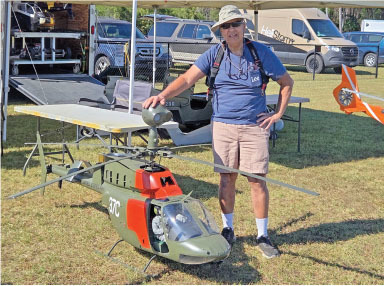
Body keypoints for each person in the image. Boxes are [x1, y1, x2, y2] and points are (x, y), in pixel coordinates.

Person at [143, 5, 293, 259]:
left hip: (254, 127)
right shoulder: (214, 55)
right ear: (220, 31)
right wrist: (162, 95)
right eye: (226, 26)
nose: (231, 29)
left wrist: (277, 114)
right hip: (223, 126)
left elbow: (286, 82)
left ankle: (262, 236)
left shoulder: (260, 53)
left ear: (244, 27)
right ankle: (228, 229)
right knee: (226, 179)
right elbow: (186, 80)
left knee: (257, 181)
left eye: (235, 24)